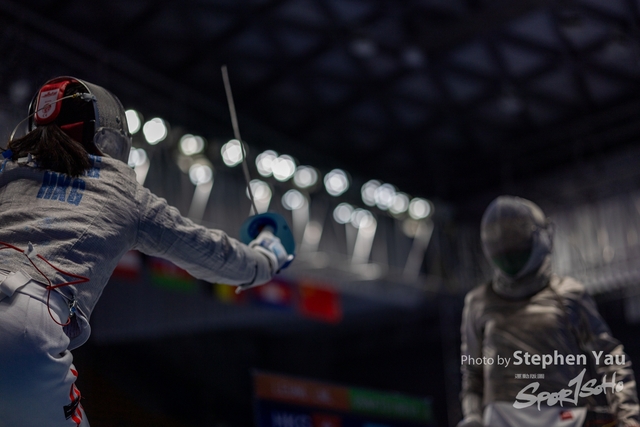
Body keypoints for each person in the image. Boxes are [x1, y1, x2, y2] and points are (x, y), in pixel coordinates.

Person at [0, 76, 292, 426]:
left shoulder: (7, 170)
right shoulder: (122, 192)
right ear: (107, 135)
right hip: (25, 325)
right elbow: (208, 252)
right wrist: (265, 258)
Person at [457, 195, 640, 427]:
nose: (510, 250)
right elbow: (473, 373)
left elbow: (610, 358)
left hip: (565, 418)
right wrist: (473, 416)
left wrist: (628, 418)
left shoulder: (567, 293)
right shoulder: (479, 302)